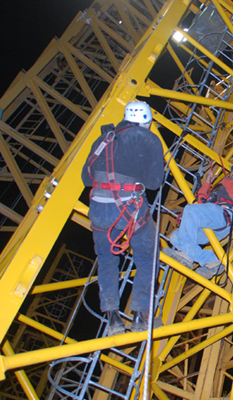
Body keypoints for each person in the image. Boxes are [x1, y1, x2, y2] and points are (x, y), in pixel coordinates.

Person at [82, 100, 165, 336]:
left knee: (107, 261)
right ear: (147, 121)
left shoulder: (105, 138)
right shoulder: (148, 138)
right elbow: (153, 183)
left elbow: (86, 178)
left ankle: (113, 319)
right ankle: (140, 314)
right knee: (148, 256)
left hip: (99, 208)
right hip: (130, 207)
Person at [164, 159, 233, 279]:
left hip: (223, 215)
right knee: (175, 236)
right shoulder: (221, 188)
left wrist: (226, 180)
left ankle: (187, 255)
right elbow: (201, 202)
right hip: (214, 223)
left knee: (191, 209)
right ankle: (212, 262)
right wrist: (207, 182)